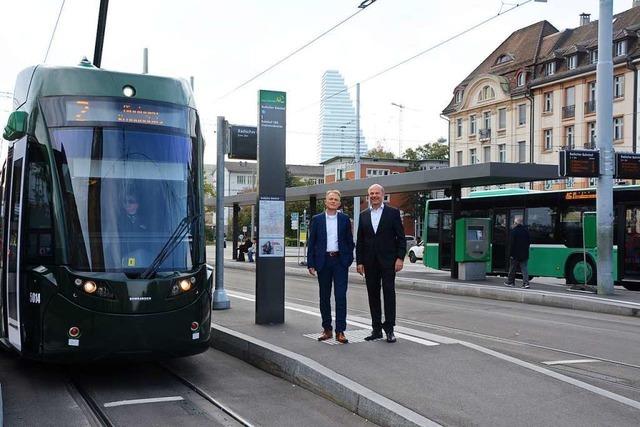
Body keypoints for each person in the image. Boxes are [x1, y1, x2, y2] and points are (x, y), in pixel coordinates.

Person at [356, 184, 406, 343]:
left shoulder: (393, 213)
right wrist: (359, 261)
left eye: (377, 193)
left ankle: (389, 329)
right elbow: (361, 240)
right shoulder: (363, 215)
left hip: (389, 261)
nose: (374, 196)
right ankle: (376, 329)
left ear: (383, 195)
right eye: (371, 193)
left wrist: (400, 258)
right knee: (373, 295)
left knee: (389, 294)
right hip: (370, 262)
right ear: (368, 196)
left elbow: (401, 238)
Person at [307, 190, 355, 344]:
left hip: (340, 262)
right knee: (324, 297)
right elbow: (312, 242)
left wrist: (348, 259)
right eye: (331, 199)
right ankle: (327, 329)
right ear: (325, 202)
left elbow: (349, 241)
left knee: (340, 296)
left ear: (339, 203)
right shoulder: (317, 219)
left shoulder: (345, 219)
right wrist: (311, 263)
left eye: (336, 199)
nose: (333, 201)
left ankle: (340, 331)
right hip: (323, 262)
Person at [504, 216, 531, 289]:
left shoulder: (514, 231)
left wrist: (510, 254)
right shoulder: (526, 231)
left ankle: (510, 282)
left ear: (515, 223)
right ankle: (526, 283)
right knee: (524, 269)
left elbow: (511, 244)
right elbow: (529, 242)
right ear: (521, 223)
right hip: (524, 254)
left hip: (515, 254)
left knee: (512, 268)